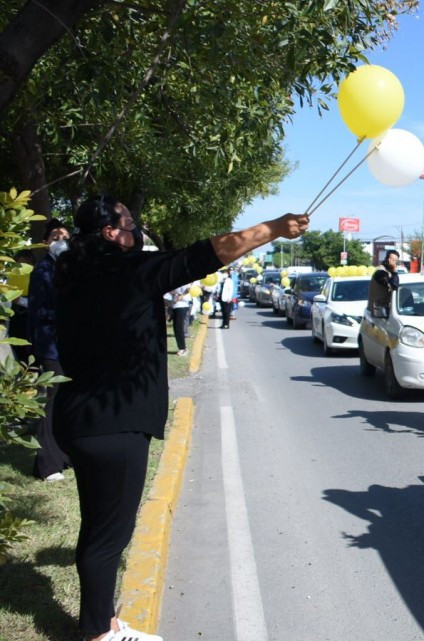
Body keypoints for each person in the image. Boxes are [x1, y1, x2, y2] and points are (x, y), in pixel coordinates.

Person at [53, 194, 308, 641]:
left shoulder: (74, 274)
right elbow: (206, 254)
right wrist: (273, 228)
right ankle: (98, 633)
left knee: (98, 529)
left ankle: (105, 622)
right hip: (116, 424)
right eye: (130, 223)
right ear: (111, 233)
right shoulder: (131, 273)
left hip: (80, 418)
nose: (138, 230)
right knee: (109, 536)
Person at [26, 218, 72, 481]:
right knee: (51, 401)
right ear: (45, 243)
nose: (60, 241)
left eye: (64, 236)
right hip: (51, 346)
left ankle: (63, 455)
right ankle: (46, 464)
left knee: (67, 400)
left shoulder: (69, 269)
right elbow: (39, 311)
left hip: (69, 344)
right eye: (55, 236)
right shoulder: (42, 271)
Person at [368, 249, 401, 317]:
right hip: (378, 311)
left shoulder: (389, 271)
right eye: (393, 260)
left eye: (396, 261)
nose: (395, 263)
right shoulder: (380, 272)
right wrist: (394, 270)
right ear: (388, 259)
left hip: (387, 310)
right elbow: (394, 286)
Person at [168, 285, 192, 355]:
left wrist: (181, 296)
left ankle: (183, 348)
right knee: (176, 328)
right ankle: (181, 348)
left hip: (182, 305)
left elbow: (188, 289)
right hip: (175, 305)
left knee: (178, 328)